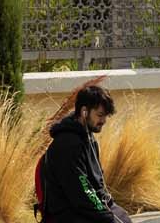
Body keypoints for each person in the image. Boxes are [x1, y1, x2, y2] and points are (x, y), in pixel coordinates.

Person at [41, 83, 130, 223]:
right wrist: (107, 217)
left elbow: (98, 185)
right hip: (69, 214)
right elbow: (81, 192)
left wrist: (111, 209)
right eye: (100, 115)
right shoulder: (67, 145)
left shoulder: (88, 138)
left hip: (86, 209)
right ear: (84, 112)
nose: (103, 121)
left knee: (124, 218)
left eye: (105, 116)